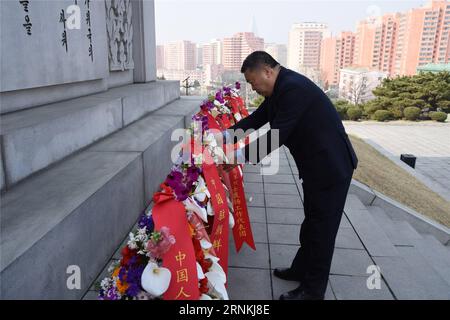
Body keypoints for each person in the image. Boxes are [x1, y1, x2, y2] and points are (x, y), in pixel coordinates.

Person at [222, 51, 358, 300]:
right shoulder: (281, 87)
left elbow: (276, 135)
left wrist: (237, 158)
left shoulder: (293, 89)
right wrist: (224, 136)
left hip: (330, 168)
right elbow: (259, 117)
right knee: (312, 224)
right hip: (316, 167)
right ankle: (301, 269)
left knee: (321, 231)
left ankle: (312, 291)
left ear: (267, 71)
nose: (254, 89)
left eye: (253, 83)